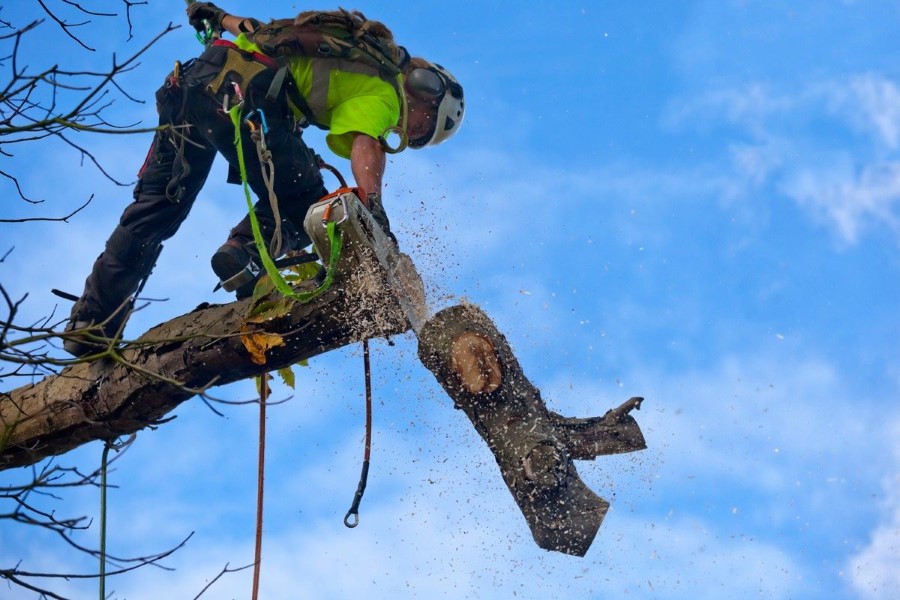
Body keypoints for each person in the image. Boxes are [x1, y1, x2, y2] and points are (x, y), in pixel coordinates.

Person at [62, 3, 465, 357]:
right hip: (246, 98)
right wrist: (372, 209)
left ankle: (91, 324)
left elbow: (252, 29)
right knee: (310, 206)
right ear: (425, 96)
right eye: (422, 128)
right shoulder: (385, 89)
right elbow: (366, 142)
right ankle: (243, 252)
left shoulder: (336, 46)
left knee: (153, 212)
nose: (410, 131)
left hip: (190, 85)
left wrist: (217, 17)